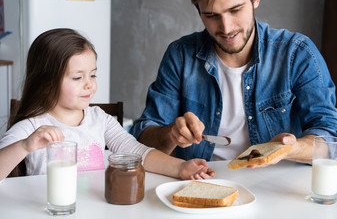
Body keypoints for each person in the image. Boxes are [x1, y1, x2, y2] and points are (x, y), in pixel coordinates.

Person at [130, 0, 337, 165]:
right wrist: (172, 134)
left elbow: (333, 140)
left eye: (235, 10)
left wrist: (289, 149)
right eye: (211, 15)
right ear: (198, 10)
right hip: (200, 184)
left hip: (273, 190)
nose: (226, 28)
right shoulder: (180, 55)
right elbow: (142, 139)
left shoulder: (296, 53)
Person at [0, 28, 215, 181]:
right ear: (46, 84)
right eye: (77, 78)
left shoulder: (99, 118)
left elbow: (136, 151)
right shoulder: (33, 128)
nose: (89, 85)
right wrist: (25, 145)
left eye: (92, 75)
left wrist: (181, 168)